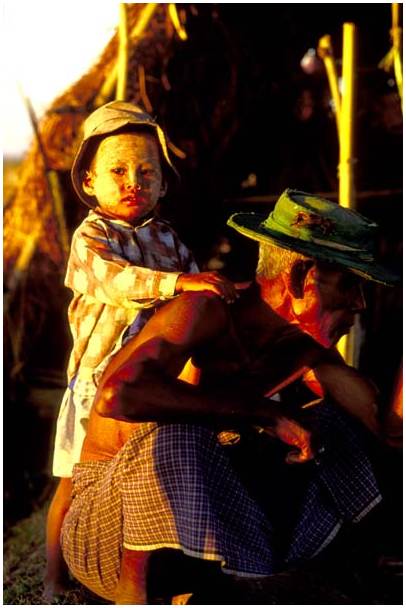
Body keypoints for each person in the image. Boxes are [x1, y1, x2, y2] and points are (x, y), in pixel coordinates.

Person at [58, 190, 398, 604]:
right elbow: (118, 394)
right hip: (105, 530)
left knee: (330, 424)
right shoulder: (205, 310)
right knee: (179, 434)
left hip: (212, 531)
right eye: (349, 285)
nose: (359, 304)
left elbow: (389, 430)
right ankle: (138, 596)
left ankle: (322, 568)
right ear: (298, 277)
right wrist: (264, 415)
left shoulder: (304, 352)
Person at [44, 101, 237, 600]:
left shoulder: (168, 239)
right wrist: (180, 284)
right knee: (72, 479)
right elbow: (115, 282)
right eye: (118, 170)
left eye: (147, 171)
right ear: (88, 181)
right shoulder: (91, 237)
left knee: (143, 474)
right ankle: (52, 576)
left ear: (164, 185)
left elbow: (194, 312)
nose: (134, 180)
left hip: (148, 385)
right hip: (96, 383)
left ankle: (151, 569)